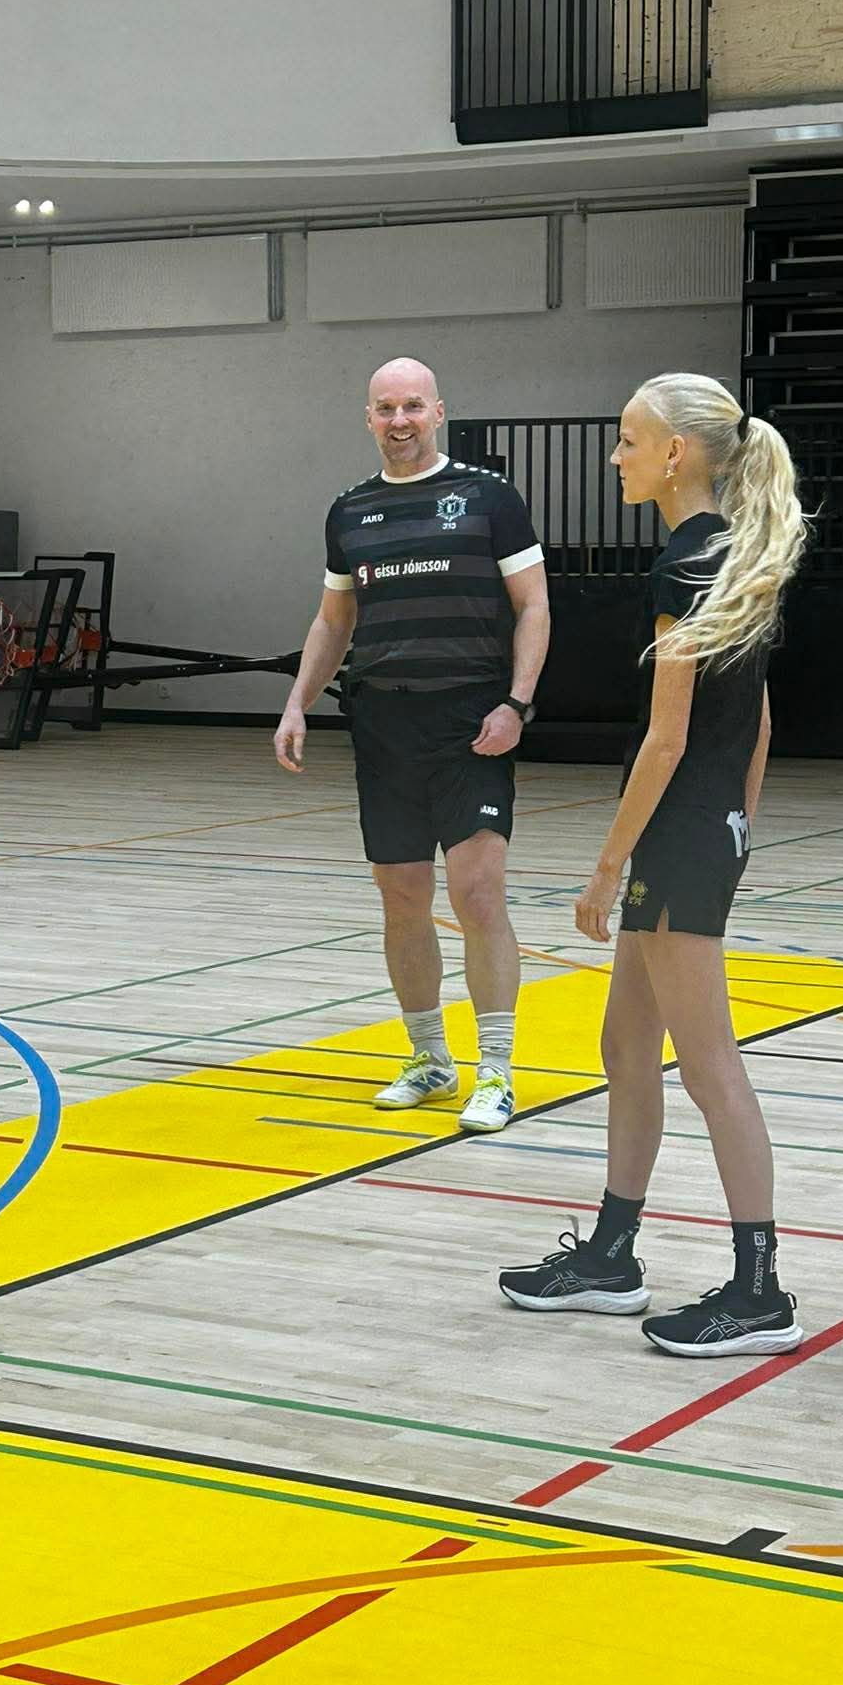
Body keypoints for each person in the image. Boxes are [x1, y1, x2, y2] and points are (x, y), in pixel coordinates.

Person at [498, 372, 808, 1357]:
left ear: (675, 453)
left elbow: (665, 739)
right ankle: (611, 1255)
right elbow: (759, 724)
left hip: (676, 839)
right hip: (704, 832)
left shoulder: (684, 564)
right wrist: (737, 827)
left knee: (711, 1067)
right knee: (626, 1046)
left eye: (628, 440)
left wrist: (606, 868)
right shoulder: (737, 552)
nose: (616, 456)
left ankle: (759, 1291)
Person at [274, 358, 549, 1134]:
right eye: (386, 408)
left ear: (438, 412)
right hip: (383, 724)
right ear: (369, 418)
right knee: (401, 895)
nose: (400, 421)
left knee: (477, 893)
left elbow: (534, 606)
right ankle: (430, 1059)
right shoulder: (350, 510)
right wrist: (296, 703)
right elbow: (334, 620)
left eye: (413, 407)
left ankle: (496, 1071)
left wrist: (516, 703)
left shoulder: (490, 498)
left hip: (471, 722)